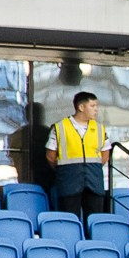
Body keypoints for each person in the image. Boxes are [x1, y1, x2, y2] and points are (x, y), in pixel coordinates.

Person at [49, 90, 106, 218]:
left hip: (94, 180)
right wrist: (65, 170)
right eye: (92, 106)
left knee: (95, 217)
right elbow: (50, 156)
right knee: (69, 217)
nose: (96, 109)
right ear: (81, 107)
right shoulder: (60, 127)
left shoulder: (99, 128)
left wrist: (92, 168)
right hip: (69, 180)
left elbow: (105, 153)